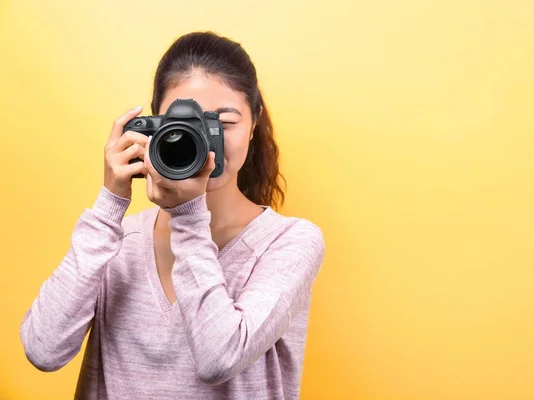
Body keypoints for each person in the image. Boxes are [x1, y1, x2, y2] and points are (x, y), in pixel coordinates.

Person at [20, 31, 325, 400]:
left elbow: (218, 358)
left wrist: (187, 216)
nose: (206, 144)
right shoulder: (118, 241)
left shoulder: (289, 243)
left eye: (223, 124)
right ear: (154, 126)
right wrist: (109, 205)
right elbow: (43, 350)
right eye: (184, 127)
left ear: (255, 122)